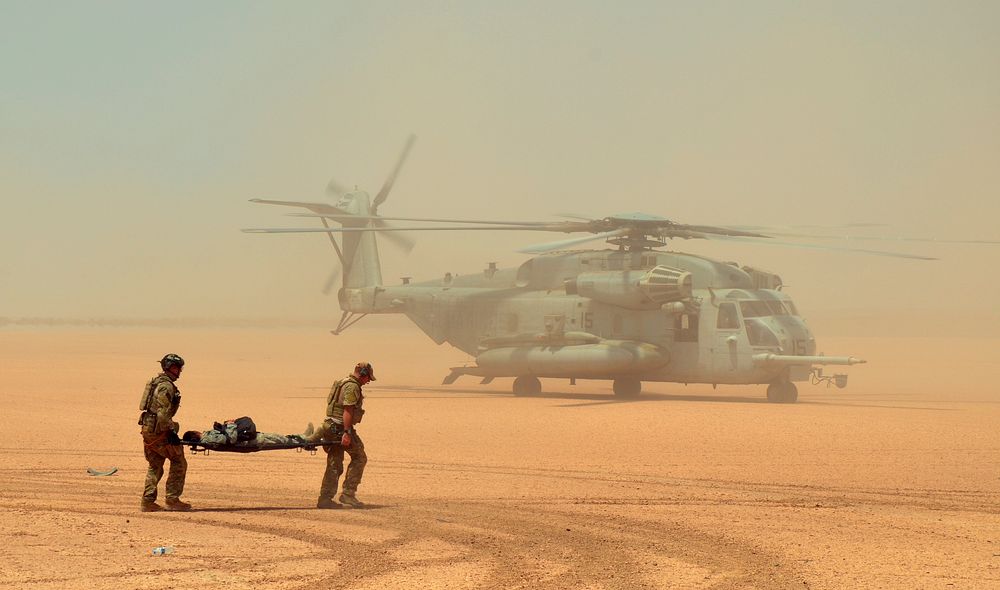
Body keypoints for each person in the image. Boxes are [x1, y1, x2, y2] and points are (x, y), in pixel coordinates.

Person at [306, 361, 374, 509]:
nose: (368, 381)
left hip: (330, 427)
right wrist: (347, 432)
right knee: (360, 457)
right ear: (362, 374)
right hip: (339, 428)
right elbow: (348, 410)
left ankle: (325, 498)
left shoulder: (344, 382)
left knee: (334, 463)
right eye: (368, 377)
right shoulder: (352, 386)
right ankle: (348, 494)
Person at [138, 353, 191, 512]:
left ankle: (148, 501)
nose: (180, 372)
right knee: (179, 462)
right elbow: (162, 414)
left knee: (155, 465)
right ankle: (172, 499)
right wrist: (172, 432)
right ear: (171, 368)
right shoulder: (165, 386)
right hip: (159, 431)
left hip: (148, 429)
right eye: (178, 368)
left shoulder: (156, 382)